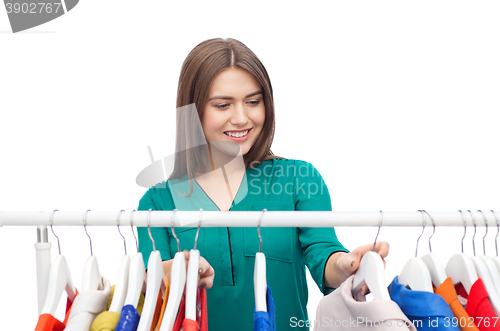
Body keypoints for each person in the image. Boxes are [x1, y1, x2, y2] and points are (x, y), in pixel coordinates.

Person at [137, 38, 389, 331]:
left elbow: (323, 255)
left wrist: (347, 264)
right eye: (223, 105)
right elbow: (150, 283)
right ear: (193, 111)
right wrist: (177, 271)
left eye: (253, 102)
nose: (242, 118)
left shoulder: (299, 179)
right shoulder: (158, 202)